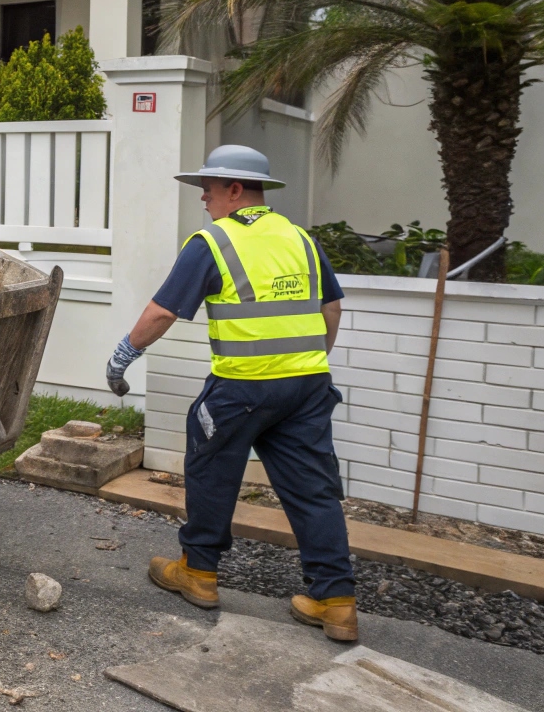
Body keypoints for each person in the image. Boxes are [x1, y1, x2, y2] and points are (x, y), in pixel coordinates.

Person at [105, 145, 358, 641]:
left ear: (235, 191)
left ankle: (198, 573)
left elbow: (162, 313)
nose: (203, 199)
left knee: (212, 469)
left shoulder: (214, 241)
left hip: (242, 387)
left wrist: (122, 356)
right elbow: (332, 310)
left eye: (209, 189)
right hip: (307, 386)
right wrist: (310, 364)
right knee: (313, 489)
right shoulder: (301, 239)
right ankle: (337, 602)